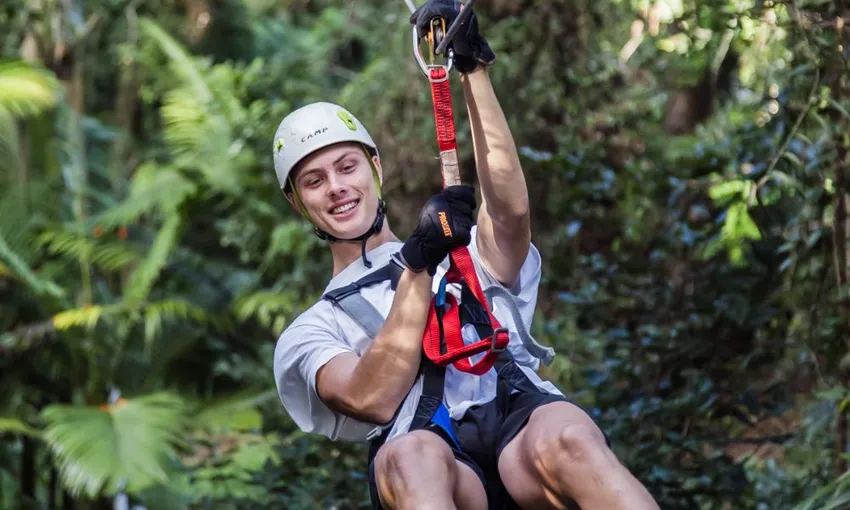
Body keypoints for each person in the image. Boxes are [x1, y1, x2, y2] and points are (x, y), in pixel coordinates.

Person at [272, 1, 660, 508]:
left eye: (347, 167)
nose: (337, 188)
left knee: (571, 440)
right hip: (435, 463)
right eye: (315, 181)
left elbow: (510, 215)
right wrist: (417, 263)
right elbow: (372, 397)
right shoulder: (311, 332)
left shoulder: (464, 252)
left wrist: (471, 67)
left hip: (521, 428)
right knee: (410, 457)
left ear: (376, 167)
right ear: (297, 201)